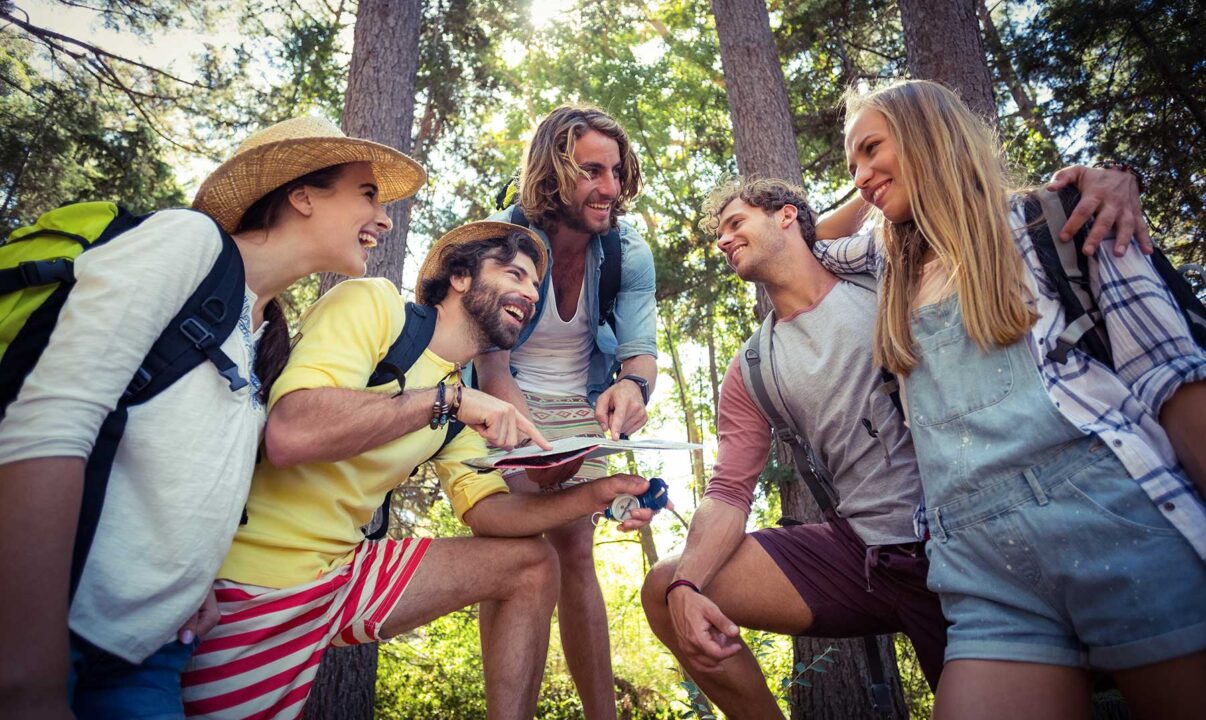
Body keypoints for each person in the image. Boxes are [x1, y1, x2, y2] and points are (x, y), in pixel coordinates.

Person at [639, 170, 1154, 718]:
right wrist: (689, 584)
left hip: (972, 541)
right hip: (868, 556)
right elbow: (728, 492)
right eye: (719, 233)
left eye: (735, 222)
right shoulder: (752, 368)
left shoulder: (889, 274)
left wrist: (1102, 183)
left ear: (786, 215)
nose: (722, 240)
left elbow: (988, 222)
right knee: (666, 584)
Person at [0, 116, 425, 720]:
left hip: (156, 649)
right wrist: (28, 679)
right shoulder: (187, 243)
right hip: (57, 635)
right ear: (302, 194)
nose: (383, 219)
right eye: (366, 194)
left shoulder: (265, 328)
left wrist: (191, 577)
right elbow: (49, 424)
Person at [817, 78, 1206, 719]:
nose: (859, 175)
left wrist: (1106, 178)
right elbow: (802, 238)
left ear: (928, 133)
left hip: (1118, 525)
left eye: (871, 149)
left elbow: (1173, 379)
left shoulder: (1059, 219)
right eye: (850, 163)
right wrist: (874, 179)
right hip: (981, 572)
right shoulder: (890, 265)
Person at [180, 221, 655, 720]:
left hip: (346, 574)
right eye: (514, 274)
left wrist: (597, 494)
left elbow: (489, 513)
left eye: (536, 284)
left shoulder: (461, 398)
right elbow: (291, 432)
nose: (530, 293)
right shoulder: (374, 307)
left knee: (532, 566)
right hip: (257, 579)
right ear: (460, 276)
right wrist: (445, 401)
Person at [475, 103, 658, 718]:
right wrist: (530, 450)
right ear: (552, 173)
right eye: (590, 171)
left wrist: (633, 391)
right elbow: (492, 363)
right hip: (508, 396)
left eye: (615, 171)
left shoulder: (627, 249)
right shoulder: (502, 240)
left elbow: (639, 358)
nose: (609, 188)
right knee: (515, 552)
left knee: (576, 551)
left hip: (580, 398)